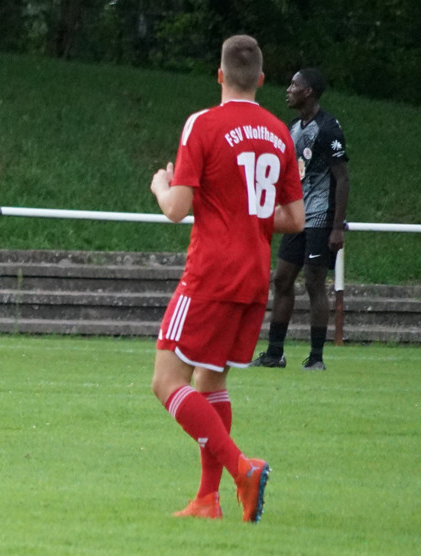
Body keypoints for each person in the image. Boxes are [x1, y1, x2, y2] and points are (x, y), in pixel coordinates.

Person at [149, 35, 304, 522]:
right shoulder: (280, 132)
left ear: (219, 75)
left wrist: (159, 185)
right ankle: (206, 500)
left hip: (211, 273)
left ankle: (241, 469)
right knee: (211, 379)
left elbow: (177, 209)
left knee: (166, 380)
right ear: (260, 80)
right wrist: (247, 212)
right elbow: (295, 218)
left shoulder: (204, 123)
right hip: (255, 275)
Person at [251, 68, 349, 371]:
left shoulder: (329, 128)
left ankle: (316, 357)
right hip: (296, 216)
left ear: (308, 92)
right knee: (281, 279)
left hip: (320, 217)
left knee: (314, 282)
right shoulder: (292, 127)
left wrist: (337, 226)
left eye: (294, 85)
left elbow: (342, 178)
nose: (288, 89)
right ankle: (274, 353)